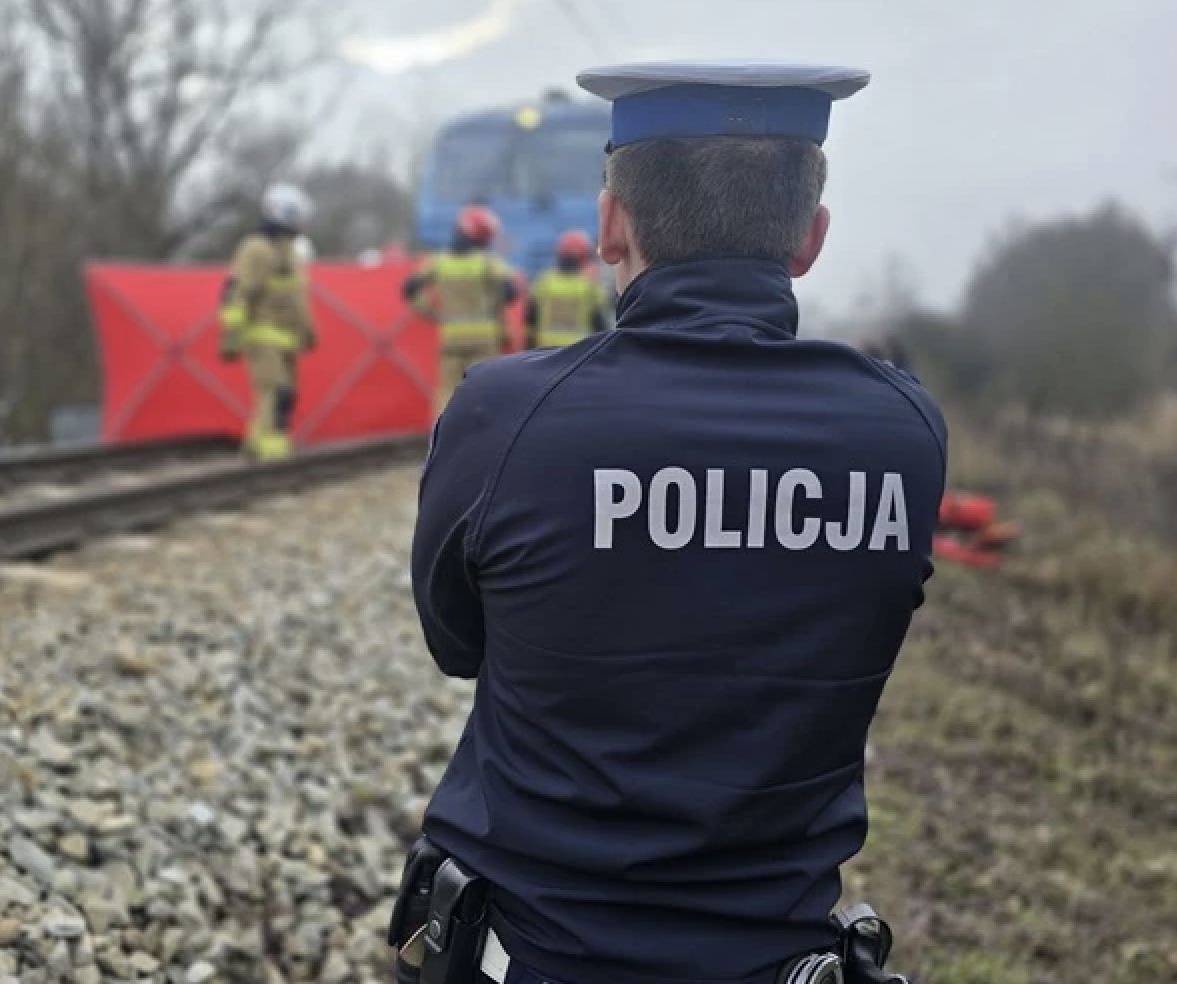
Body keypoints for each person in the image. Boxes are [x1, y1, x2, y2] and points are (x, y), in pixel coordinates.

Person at [393, 62, 946, 984]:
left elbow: (457, 641)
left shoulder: (504, 414)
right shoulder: (904, 433)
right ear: (809, 240)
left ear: (610, 225)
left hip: (527, 958)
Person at [219, 182, 317, 461]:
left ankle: (265, 449)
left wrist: (308, 332)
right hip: (262, 335)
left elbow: (298, 297)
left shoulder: (292, 254)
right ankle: (267, 456)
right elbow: (239, 292)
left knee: (284, 397)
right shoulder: (256, 249)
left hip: (286, 339)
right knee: (275, 393)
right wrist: (232, 334)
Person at [402, 205, 520, 412]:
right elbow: (511, 290)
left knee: (448, 393)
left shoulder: (438, 262)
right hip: (484, 339)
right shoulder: (486, 262)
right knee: (486, 390)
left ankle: (443, 439)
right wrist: (493, 305)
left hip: (451, 338)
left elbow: (409, 288)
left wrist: (431, 312)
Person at [524, 229, 610, 349]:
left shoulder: (543, 282)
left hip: (545, 351)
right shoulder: (590, 287)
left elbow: (530, 319)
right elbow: (600, 325)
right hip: (577, 353)